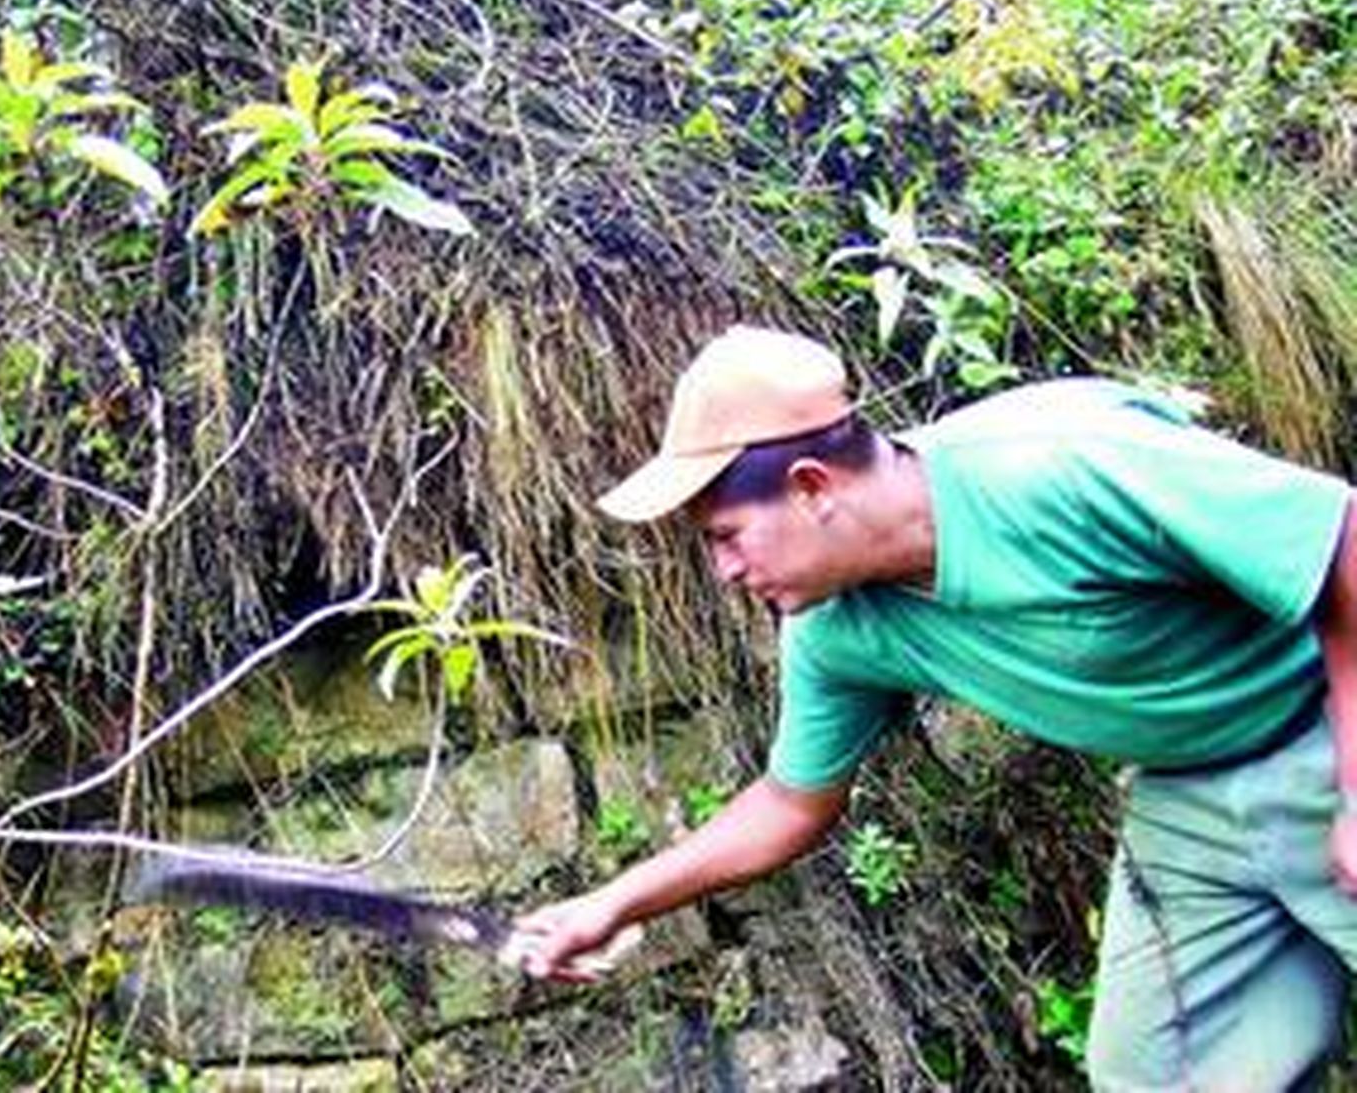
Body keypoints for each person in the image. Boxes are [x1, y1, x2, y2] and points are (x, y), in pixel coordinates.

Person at [512, 324, 1357, 1090]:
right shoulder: (836, 627)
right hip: (1190, 795)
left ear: (811, 486)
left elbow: (1340, 546)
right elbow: (790, 802)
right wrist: (610, 903)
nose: (725, 571)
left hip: (1329, 728)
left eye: (726, 535)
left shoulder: (1056, 466)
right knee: (1157, 1073)